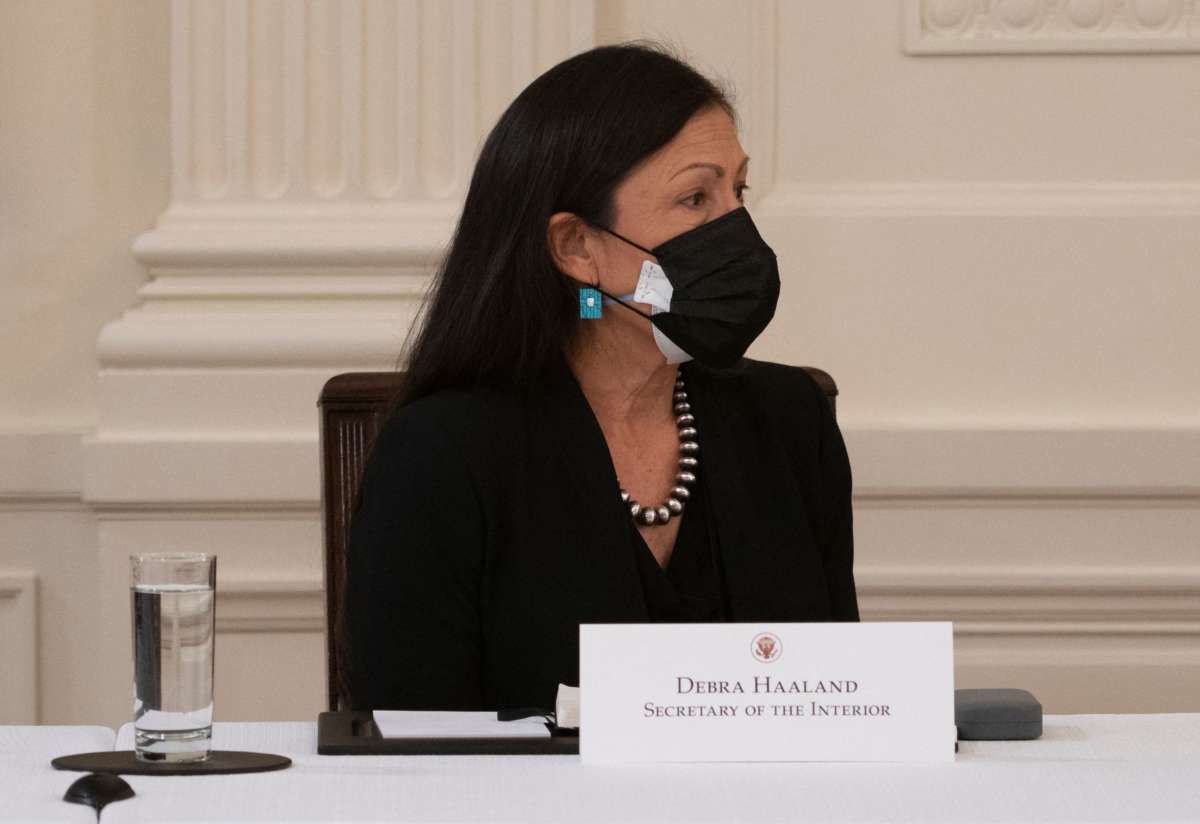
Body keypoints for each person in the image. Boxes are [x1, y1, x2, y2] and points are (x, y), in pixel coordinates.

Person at [342, 42, 858, 712]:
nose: (738, 231)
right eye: (696, 198)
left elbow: (840, 706)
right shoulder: (443, 454)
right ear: (578, 248)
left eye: (740, 190)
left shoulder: (791, 420)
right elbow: (416, 749)